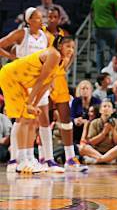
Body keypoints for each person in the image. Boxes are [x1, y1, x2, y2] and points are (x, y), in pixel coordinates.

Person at [0, 36, 75, 174]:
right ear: (60, 46)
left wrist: (34, 104)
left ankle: (29, 159)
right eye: (68, 46)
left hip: (22, 81)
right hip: (11, 77)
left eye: (73, 47)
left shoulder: (62, 60)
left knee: (31, 118)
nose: (71, 50)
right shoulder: (54, 54)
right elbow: (40, 80)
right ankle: (21, 161)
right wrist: (29, 103)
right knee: (24, 118)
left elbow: (46, 84)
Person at [0, 8, 56, 173]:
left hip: (36, 79)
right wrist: (12, 58)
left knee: (37, 119)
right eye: (38, 18)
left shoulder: (46, 37)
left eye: (42, 18)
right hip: (20, 77)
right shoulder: (21, 34)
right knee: (21, 120)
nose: (41, 21)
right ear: (29, 20)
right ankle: (16, 157)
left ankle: (33, 157)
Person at [44, 8, 89, 172]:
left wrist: (69, 57)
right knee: (45, 121)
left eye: (55, 16)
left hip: (60, 80)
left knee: (66, 120)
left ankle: (70, 158)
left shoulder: (63, 35)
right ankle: (44, 157)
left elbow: (63, 67)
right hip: (46, 79)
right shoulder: (43, 35)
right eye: (50, 16)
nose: (52, 19)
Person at [78, 99, 117, 164]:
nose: (106, 108)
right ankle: (106, 160)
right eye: (104, 106)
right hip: (96, 151)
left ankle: (99, 160)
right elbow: (92, 142)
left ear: (112, 111)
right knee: (82, 148)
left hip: (111, 151)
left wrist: (112, 129)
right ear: (100, 110)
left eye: (109, 106)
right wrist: (103, 133)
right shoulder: (94, 122)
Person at [91, 0, 117, 71]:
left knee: (100, 50)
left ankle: (100, 72)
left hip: (98, 27)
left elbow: (92, 13)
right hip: (111, 27)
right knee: (112, 50)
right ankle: (111, 70)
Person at [71, 80, 101, 145]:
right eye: (83, 88)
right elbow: (71, 116)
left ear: (91, 90)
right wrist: (75, 120)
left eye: (87, 88)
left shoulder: (97, 101)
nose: (85, 90)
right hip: (78, 126)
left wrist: (87, 122)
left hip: (93, 125)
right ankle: (74, 144)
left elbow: (99, 117)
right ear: (79, 90)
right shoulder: (75, 101)